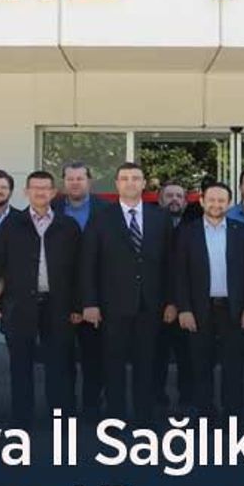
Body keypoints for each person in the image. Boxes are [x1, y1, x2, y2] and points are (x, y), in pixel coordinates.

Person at [0, 171, 83, 428]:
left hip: (58, 304)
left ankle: (60, 418)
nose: (40, 192)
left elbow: (79, 269)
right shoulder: (12, 224)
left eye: (45, 188)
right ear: (26, 192)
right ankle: (22, 419)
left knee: (58, 364)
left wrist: (78, 305)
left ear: (53, 193)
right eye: (35, 188)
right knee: (20, 365)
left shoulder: (68, 225)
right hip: (19, 304)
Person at [81, 162, 174, 424]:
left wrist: (171, 301)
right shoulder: (101, 217)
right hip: (112, 305)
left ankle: (144, 418)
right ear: (117, 184)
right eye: (124, 178)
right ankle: (115, 418)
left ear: (144, 184)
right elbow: (88, 263)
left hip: (150, 304)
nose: (130, 182)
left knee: (147, 364)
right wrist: (90, 303)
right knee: (113, 365)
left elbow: (170, 263)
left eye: (135, 178)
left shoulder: (160, 217)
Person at [174, 182, 244, 417]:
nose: (216, 204)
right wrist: (184, 309)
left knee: (234, 367)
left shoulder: (242, 231)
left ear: (229, 203)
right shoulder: (187, 231)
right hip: (199, 310)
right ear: (202, 201)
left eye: (221, 200)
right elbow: (179, 274)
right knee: (200, 366)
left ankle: (233, 416)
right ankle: (205, 415)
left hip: (234, 310)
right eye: (211, 199)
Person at [51, 161, 106, 419]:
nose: (75, 183)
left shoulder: (106, 210)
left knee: (94, 356)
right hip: (59, 294)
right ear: (63, 182)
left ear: (89, 181)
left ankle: (92, 405)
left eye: (80, 178)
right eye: (70, 179)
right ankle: (65, 407)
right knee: (61, 357)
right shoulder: (51, 208)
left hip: (96, 293)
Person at [154, 179, 193, 411]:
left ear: (186, 202)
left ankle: (187, 402)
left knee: (187, 357)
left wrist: (179, 303)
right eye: (169, 196)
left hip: (187, 305)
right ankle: (157, 402)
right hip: (156, 305)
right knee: (156, 357)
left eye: (179, 196)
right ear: (160, 200)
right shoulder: (150, 226)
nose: (174, 200)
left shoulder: (194, 228)